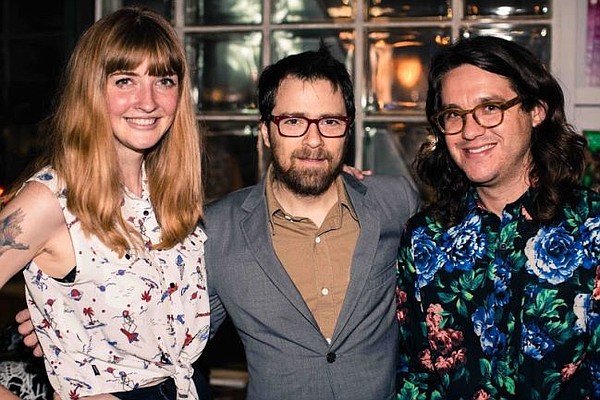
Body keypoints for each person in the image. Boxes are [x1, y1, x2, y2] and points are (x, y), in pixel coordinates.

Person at [0, 7, 210, 400]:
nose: (147, 101)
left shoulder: (164, 192)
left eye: (163, 80)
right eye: (125, 80)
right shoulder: (50, 200)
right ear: (91, 90)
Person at [200, 44, 419, 399]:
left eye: (330, 122)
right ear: (265, 131)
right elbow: (174, 351)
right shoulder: (217, 229)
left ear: (347, 130)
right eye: (293, 122)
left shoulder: (396, 201)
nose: (313, 140)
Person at [395, 35, 600, 400]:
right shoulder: (423, 238)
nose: (470, 131)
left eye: (490, 108)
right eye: (453, 115)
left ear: (536, 109)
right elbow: (416, 376)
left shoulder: (592, 229)